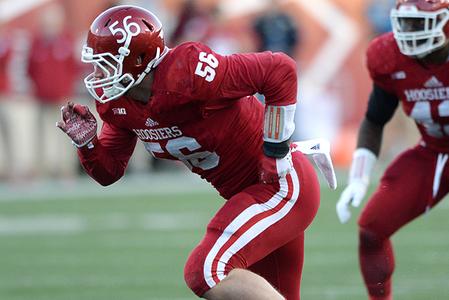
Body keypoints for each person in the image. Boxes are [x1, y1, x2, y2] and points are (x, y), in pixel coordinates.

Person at [56, 5, 335, 300]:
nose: (99, 73)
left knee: (206, 271)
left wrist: (275, 150)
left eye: (107, 63)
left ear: (137, 59)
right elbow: (109, 171)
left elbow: (280, 70)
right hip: (253, 194)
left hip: (280, 186)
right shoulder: (119, 104)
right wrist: (87, 144)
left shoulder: (187, 71)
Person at [337, 0, 449, 299]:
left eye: (418, 23)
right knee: (372, 228)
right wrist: (359, 177)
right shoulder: (388, 55)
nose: (409, 33)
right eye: (405, 23)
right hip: (434, 151)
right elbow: (375, 119)